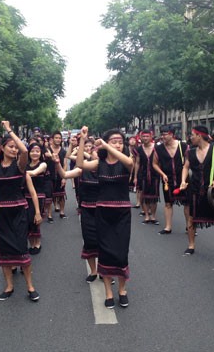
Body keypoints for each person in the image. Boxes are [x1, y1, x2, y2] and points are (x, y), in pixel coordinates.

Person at [0, 117, 41, 302]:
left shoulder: (19, 166)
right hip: (2, 214)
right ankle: (9, 286)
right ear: (2, 148)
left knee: (21, 250)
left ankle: (30, 286)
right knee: (5, 251)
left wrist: (9, 130)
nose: (13, 149)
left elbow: (25, 150)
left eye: (14, 147)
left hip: (19, 212)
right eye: (9, 146)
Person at [76, 126, 134, 309]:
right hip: (103, 213)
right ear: (106, 142)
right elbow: (80, 165)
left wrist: (108, 147)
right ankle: (109, 292)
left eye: (120, 141)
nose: (118, 144)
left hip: (122, 212)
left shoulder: (126, 162)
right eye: (113, 141)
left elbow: (130, 163)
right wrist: (83, 140)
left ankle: (122, 290)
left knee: (121, 252)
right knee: (106, 252)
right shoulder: (98, 164)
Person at [180, 125, 214, 257]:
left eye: (192, 135)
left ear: (199, 135)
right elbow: (186, 167)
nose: (190, 137)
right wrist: (183, 181)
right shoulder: (190, 152)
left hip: (213, 191)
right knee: (191, 218)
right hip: (195, 189)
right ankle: (191, 245)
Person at [55, 138, 100, 282]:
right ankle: (93, 271)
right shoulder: (81, 170)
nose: (96, 156)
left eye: (100, 155)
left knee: (105, 243)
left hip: (104, 211)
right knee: (89, 241)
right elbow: (64, 175)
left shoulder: (107, 171)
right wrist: (57, 164)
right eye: (95, 154)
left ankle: (105, 271)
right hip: (87, 209)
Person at [152, 125, 189, 234]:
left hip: (183, 179)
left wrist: (184, 179)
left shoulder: (183, 146)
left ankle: (189, 227)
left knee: (187, 203)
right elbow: (154, 164)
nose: (162, 137)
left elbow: (188, 163)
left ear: (172, 134)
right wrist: (162, 174)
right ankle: (168, 227)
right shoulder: (158, 148)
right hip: (168, 179)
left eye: (165, 134)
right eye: (162, 134)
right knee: (168, 203)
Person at [134, 129, 160, 224]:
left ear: (151, 137)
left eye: (147, 136)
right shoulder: (139, 149)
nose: (145, 138)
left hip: (155, 175)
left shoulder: (157, 148)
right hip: (143, 174)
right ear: (140, 137)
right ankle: (146, 216)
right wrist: (135, 177)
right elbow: (137, 163)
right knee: (144, 196)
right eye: (143, 136)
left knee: (154, 197)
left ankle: (153, 216)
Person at [25, 142, 47, 254]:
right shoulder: (25, 164)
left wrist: (19, 172)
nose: (35, 153)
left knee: (35, 219)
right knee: (27, 221)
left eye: (37, 151)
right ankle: (31, 243)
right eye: (32, 151)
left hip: (38, 196)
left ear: (41, 153)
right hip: (25, 197)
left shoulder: (43, 165)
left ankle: (37, 243)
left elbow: (34, 173)